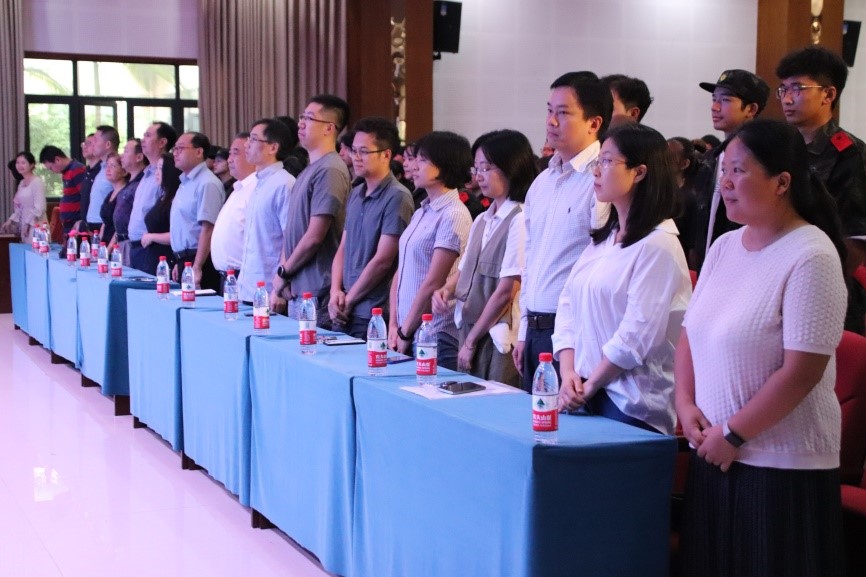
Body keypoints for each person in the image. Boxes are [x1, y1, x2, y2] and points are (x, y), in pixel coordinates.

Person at [675, 119, 847, 577]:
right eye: (723, 172)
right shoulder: (724, 247)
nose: (725, 184)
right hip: (713, 451)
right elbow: (691, 333)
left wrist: (734, 434)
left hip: (779, 464)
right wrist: (685, 404)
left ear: (782, 182)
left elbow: (802, 372)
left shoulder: (811, 254)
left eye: (739, 171)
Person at [553, 123, 691, 434]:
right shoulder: (605, 239)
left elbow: (637, 333)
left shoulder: (659, 244)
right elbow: (568, 303)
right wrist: (568, 372)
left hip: (631, 402)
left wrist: (590, 384)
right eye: (597, 161)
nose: (596, 171)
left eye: (606, 161)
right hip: (583, 390)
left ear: (639, 172)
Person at [514, 71, 612, 391]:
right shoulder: (542, 182)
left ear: (594, 123)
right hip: (536, 327)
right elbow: (530, 259)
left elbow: (605, 264)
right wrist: (523, 330)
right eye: (549, 111)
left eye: (563, 113)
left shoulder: (603, 179)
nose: (551, 122)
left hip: (577, 332)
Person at [432, 130, 536, 387]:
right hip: (470, 327)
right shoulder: (482, 219)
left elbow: (507, 290)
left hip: (497, 336)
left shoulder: (520, 219)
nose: (478, 176)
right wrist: (446, 290)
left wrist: (471, 341)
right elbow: (465, 269)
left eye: (487, 168)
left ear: (512, 168)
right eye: (476, 168)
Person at [776, 45, 866, 333]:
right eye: (783, 89)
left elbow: (856, 238)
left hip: (823, 291)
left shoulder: (850, 153)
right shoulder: (780, 149)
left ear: (828, 94)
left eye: (798, 88)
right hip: (779, 280)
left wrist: (820, 284)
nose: (787, 98)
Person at [388, 131, 473, 370]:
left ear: (445, 166)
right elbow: (402, 270)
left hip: (433, 334)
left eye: (423, 160)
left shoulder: (453, 214)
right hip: (406, 329)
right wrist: (394, 324)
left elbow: (434, 281)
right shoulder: (421, 211)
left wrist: (405, 331)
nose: (413, 166)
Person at [329, 117, 413, 338]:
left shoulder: (397, 197)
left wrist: (350, 299)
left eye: (364, 152)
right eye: (354, 151)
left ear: (386, 155)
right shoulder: (356, 193)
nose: (356, 157)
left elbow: (383, 260)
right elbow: (343, 247)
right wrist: (335, 291)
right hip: (344, 304)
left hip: (372, 311)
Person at [271, 94, 351, 325]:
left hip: (317, 289)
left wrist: (285, 272)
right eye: (301, 117)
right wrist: (285, 273)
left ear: (329, 128)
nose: (301, 123)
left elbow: (315, 235)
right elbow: (292, 231)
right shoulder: (309, 169)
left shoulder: (330, 169)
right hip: (298, 286)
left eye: (309, 118)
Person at [692, 69, 770, 272]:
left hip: (745, 267)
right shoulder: (710, 158)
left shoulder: (762, 160)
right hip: (708, 268)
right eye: (714, 99)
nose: (715, 107)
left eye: (725, 100)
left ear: (751, 109)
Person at [238, 120, 294, 303]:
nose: (247, 145)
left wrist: (279, 288)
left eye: (254, 139)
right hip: (247, 286)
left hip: (269, 290)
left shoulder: (284, 184)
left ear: (273, 148)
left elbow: (290, 239)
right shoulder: (258, 182)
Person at [169, 131, 225, 290]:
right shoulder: (185, 182)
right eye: (174, 149)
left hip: (200, 260)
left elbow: (208, 228)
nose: (175, 153)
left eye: (180, 148)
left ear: (199, 152)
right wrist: (179, 260)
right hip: (185, 259)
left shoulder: (207, 183)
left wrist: (197, 266)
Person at [129, 122, 178, 273]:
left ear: (162, 142)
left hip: (152, 247)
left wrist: (151, 237)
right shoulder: (146, 173)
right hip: (135, 246)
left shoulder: (166, 175)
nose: (142, 140)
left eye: (148, 136)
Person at [139, 153, 182, 274]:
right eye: (156, 168)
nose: (157, 173)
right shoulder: (163, 196)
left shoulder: (175, 199)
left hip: (167, 259)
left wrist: (151, 237)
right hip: (153, 257)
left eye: (161, 169)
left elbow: (176, 235)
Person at [111, 138, 148, 265]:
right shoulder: (129, 183)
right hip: (121, 241)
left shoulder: (142, 183)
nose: (121, 155)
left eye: (126, 151)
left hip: (134, 242)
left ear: (139, 157)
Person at [39, 145, 84, 238]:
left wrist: (83, 220)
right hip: (69, 224)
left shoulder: (77, 169)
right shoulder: (66, 172)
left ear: (57, 159)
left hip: (76, 223)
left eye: (51, 168)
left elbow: (87, 196)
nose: (52, 171)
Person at [0, 152, 46, 242]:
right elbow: (20, 207)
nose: (19, 165)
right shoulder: (21, 183)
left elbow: (40, 208)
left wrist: (28, 224)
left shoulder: (37, 182)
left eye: (23, 163)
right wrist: (10, 220)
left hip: (36, 225)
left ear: (32, 165)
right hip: (24, 224)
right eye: (18, 162)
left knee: (36, 248)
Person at [668, 136, 699, 261]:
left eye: (669, 157)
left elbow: (692, 245)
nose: (662, 161)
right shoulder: (653, 193)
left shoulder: (690, 199)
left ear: (684, 163)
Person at [86, 125, 120, 231]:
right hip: (92, 225)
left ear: (107, 144)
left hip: (105, 226)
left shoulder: (118, 168)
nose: (93, 144)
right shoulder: (101, 167)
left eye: (96, 140)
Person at [97, 152, 129, 244]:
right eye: (107, 165)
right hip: (105, 243)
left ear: (124, 171)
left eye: (113, 166)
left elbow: (118, 228)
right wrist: (98, 243)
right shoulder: (110, 194)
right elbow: (105, 223)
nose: (108, 169)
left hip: (117, 245)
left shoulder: (125, 194)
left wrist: (109, 249)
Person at [78, 133, 101, 227]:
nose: (84, 146)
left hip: (98, 224)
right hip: (86, 223)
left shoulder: (103, 171)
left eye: (89, 143)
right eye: (84, 143)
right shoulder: (86, 171)